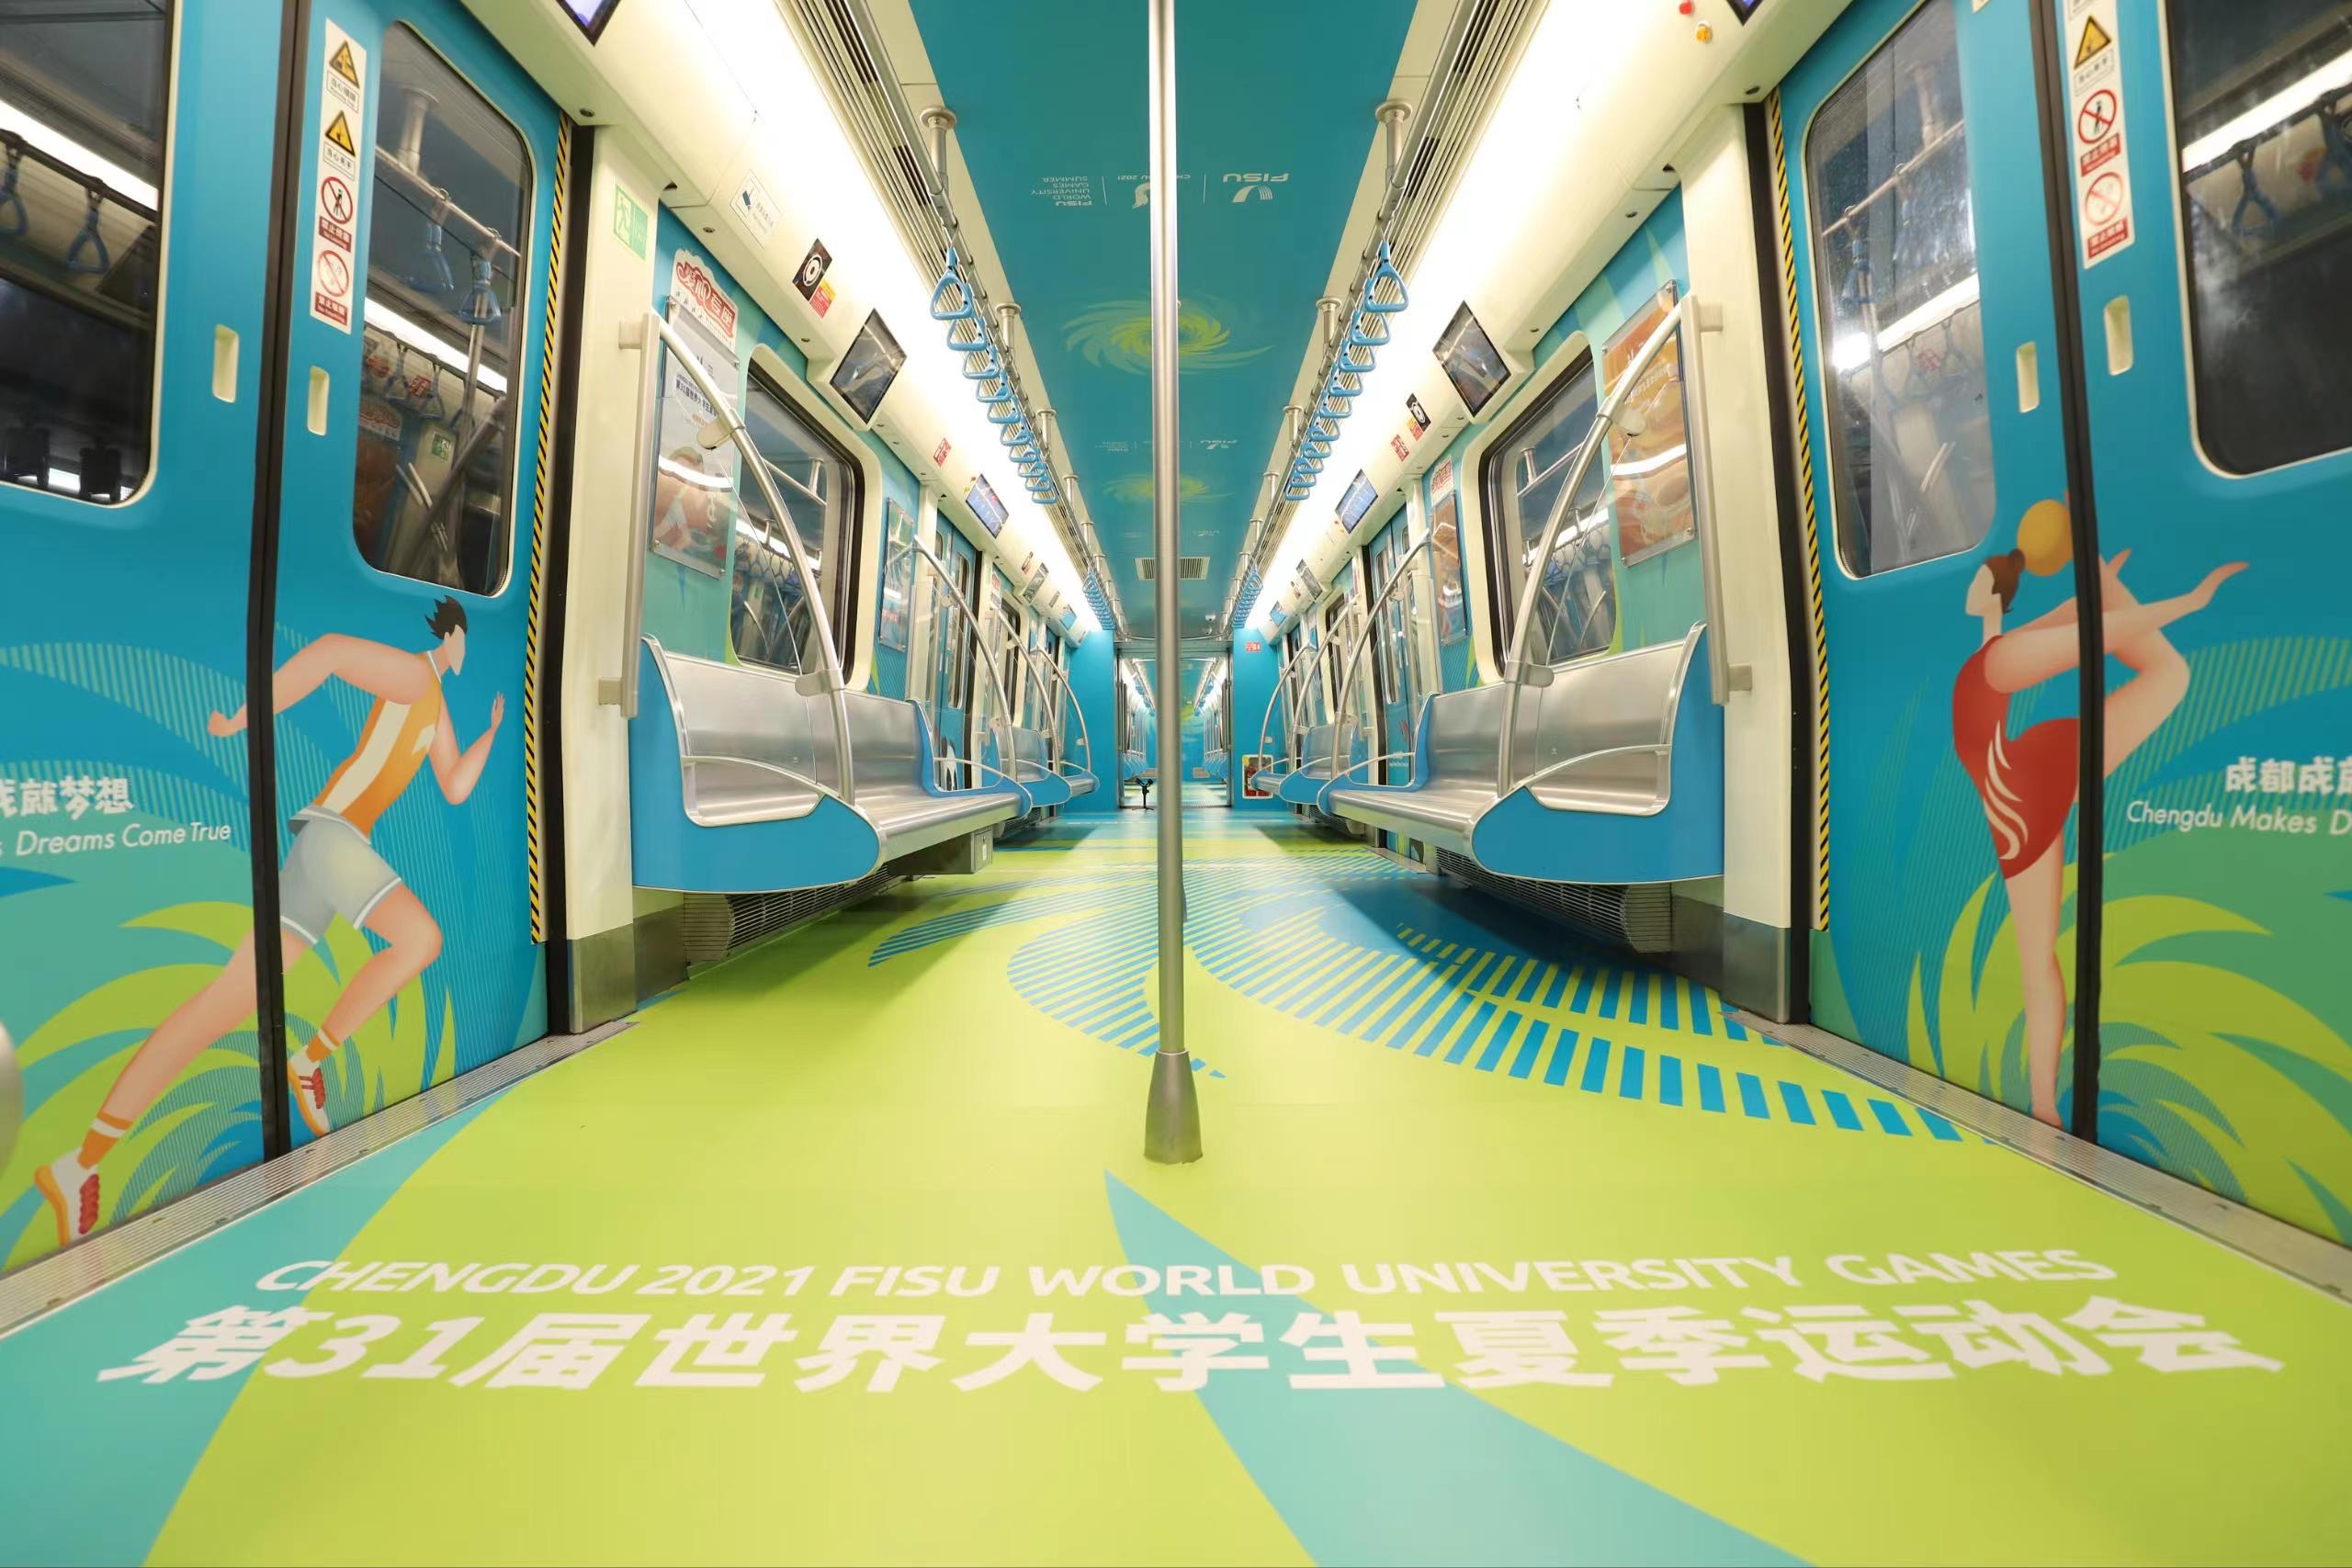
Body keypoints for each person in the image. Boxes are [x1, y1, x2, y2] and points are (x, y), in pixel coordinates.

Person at [34, 598, 503, 1246]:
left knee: (223, 1001)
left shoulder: (435, 705)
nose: (466, 651)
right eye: (464, 639)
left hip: (324, 850)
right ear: (452, 636)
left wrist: (490, 734)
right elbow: (332, 649)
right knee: (421, 939)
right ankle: (310, 1059)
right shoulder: (413, 673)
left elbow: (453, 785)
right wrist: (244, 718)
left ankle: (79, 1162)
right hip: (335, 838)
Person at [1953, 547, 2242, 1128]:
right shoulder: (1999, 650)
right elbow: (2074, 622)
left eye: (1979, 579)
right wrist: (2110, 588)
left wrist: (2181, 602)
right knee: (2038, 958)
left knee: (2037, 958)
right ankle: (2042, 1100)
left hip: (2025, 792)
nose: (1971, 587)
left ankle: (2043, 1103)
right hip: (2023, 787)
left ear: (1991, 594)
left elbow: (2091, 635)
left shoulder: (2000, 657)